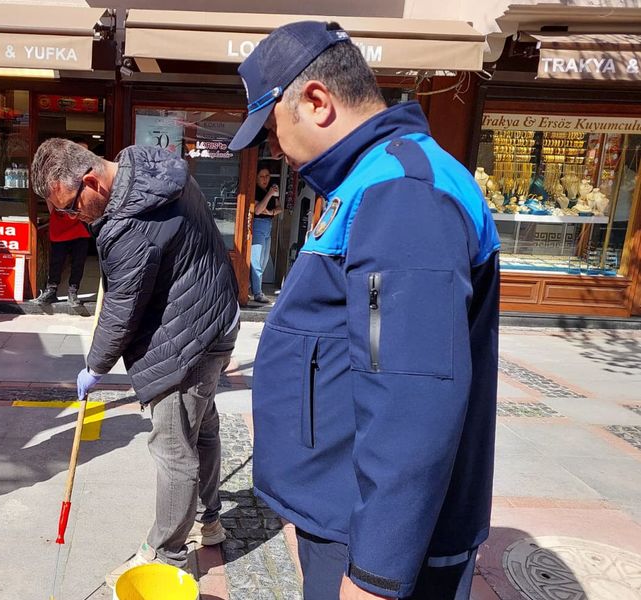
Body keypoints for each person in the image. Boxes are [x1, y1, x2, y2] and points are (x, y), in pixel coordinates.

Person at [229, 21, 500, 600]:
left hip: (370, 538)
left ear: (316, 102)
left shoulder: (402, 193)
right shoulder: (375, 179)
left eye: (272, 130)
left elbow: (409, 393)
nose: (275, 149)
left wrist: (375, 573)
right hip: (342, 510)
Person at [31, 138, 240, 587]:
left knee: (172, 449)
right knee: (202, 430)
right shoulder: (148, 164)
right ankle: (210, 521)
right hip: (215, 320)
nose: (73, 218)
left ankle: (166, 554)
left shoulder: (129, 225)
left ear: (91, 181)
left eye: (71, 207)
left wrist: (95, 365)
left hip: (182, 342)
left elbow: (121, 309)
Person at [31, 140, 93, 307]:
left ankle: (73, 291)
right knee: (56, 260)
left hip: (80, 222)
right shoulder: (60, 167)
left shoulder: (89, 171)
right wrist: (53, 209)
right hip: (60, 221)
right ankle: (51, 290)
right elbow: (47, 190)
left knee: (78, 260)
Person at [249, 164, 282, 304]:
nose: (265, 179)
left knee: (264, 260)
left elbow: (280, 207)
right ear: (256, 178)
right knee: (256, 259)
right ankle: (257, 292)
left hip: (268, 225)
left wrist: (271, 212)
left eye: (267, 176)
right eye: (261, 176)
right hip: (258, 225)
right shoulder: (255, 190)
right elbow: (257, 210)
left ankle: (252, 287)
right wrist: (269, 195)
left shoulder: (272, 189)